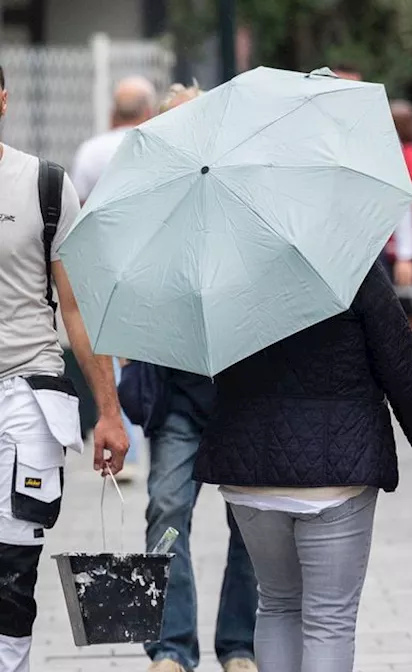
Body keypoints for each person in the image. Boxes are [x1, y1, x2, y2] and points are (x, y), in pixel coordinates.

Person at [196, 264, 412, 672]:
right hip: (338, 471)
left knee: (277, 603)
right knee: (329, 621)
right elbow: (401, 365)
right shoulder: (353, 265)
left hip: (250, 470)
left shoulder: (232, 267)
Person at [120, 83, 261, 672]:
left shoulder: (244, 200)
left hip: (244, 394)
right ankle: (172, 646)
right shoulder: (146, 204)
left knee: (253, 527)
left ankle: (239, 645)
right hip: (177, 395)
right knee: (166, 511)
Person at [0, 63, 131, 672]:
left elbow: (77, 308)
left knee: (11, 567)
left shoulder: (43, 185)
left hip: (25, 393)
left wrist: (109, 410)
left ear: (3, 99)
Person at [67, 75, 157, 483]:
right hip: (149, 259)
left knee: (113, 353)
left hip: (102, 262)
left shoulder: (89, 151)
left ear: (111, 112)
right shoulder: (153, 144)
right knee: (143, 351)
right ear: (148, 111)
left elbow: (77, 211)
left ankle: (125, 440)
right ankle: (151, 436)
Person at [386, 100, 412, 325]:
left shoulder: (410, 153)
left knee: (406, 303)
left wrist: (406, 253)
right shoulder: (393, 152)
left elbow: (409, 197)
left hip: (401, 240)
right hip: (386, 242)